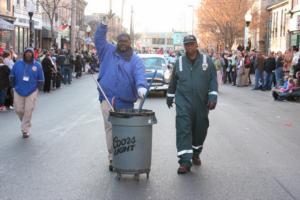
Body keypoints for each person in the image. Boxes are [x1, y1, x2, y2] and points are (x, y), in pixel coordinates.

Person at [94, 16, 148, 171]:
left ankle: (124, 156)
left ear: (130, 43)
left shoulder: (136, 60)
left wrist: (141, 86)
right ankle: (112, 158)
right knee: (110, 128)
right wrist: (103, 26)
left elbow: (139, 74)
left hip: (125, 101)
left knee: (124, 130)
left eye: (126, 41)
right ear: (117, 42)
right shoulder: (107, 51)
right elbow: (98, 39)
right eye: (120, 41)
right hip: (106, 97)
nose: (123, 44)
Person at [166, 35, 218, 174]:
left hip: (201, 103)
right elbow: (173, 81)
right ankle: (184, 161)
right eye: (186, 45)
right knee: (183, 129)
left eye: (191, 44)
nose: (189, 47)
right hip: (183, 102)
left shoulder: (207, 61)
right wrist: (170, 96)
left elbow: (213, 80)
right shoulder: (179, 62)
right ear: (184, 47)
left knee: (200, 129)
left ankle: (195, 153)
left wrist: (213, 96)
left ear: (196, 45)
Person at [9, 47, 44, 138]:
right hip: (18, 89)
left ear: (32, 54)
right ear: (24, 54)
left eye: (30, 53)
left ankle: (25, 130)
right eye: (27, 52)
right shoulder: (17, 64)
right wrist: (13, 87)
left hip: (32, 90)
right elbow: (12, 75)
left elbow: (41, 79)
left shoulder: (37, 65)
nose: (28, 54)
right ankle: (25, 122)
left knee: (28, 110)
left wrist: (37, 89)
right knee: (19, 110)